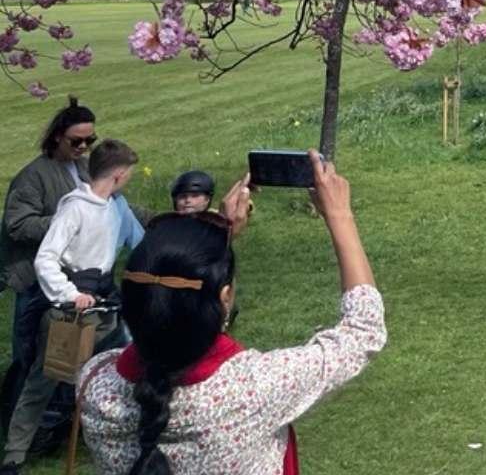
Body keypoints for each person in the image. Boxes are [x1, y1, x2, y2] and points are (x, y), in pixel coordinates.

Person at [78, 150, 385, 473]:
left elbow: (179, 305)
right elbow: (363, 331)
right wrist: (339, 214)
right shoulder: (251, 389)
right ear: (225, 298)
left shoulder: (94, 384)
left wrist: (218, 236)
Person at [2, 140, 141, 472]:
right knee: (44, 379)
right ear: (119, 176)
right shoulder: (74, 208)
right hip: (71, 312)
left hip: (106, 307)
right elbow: (45, 258)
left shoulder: (114, 206)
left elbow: (138, 241)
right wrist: (68, 293)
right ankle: (13, 455)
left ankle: (138, 436)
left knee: (134, 364)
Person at [1, 98, 98, 427]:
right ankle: (14, 420)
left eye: (89, 141)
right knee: (29, 355)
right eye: (76, 141)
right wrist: (67, 221)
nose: (83, 147)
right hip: (33, 278)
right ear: (57, 137)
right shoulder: (33, 177)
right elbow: (16, 225)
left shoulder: (83, 168)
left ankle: (57, 418)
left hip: (69, 277)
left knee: (63, 351)